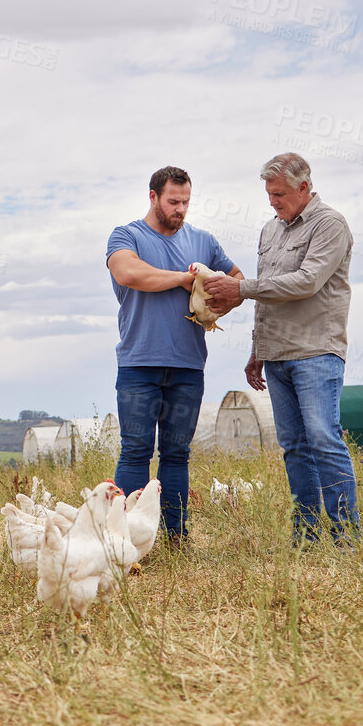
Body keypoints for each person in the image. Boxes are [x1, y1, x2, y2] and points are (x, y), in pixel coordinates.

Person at [199, 152, 358, 544]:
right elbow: (270, 293)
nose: (273, 201)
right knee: (293, 446)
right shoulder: (270, 231)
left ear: (304, 188)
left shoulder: (330, 224)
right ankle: (306, 534)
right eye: (269, 195)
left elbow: (306, 281)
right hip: (278, 355)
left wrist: (241, 288)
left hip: (316, 352)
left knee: (323, 438)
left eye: (280, 194)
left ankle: (345, 536)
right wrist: (258, 349)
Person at [105, 166, 243, 548]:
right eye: (173, 201)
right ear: (153, 197)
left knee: (177, 454)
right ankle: (126, 541)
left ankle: (176, 537)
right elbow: (129, 273)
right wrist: (183, 279)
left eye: (185, 202)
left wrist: (214, 306)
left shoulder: (203, 240)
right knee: (135, 451)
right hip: (138, 365)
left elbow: (237, 281)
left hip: (187, 367)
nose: (180, 209)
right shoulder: (127, 235)